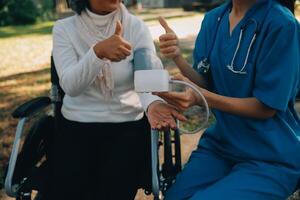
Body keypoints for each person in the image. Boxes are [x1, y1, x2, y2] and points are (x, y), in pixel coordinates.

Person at [156, 0, 300, 199]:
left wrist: (203, 97)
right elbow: (204, 81)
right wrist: (178, 57)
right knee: (174, 196)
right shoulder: (214, 19)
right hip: (222, 146)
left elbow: (266, 107)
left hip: (270, 155)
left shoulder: (281, 24)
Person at [51, 0, 185, 199]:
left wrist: (151, 104)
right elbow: (71, 86)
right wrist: (98, 53)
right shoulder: (64, 29)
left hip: (127, 128)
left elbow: (145, 78)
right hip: (76, 127)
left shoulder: (136, 28)